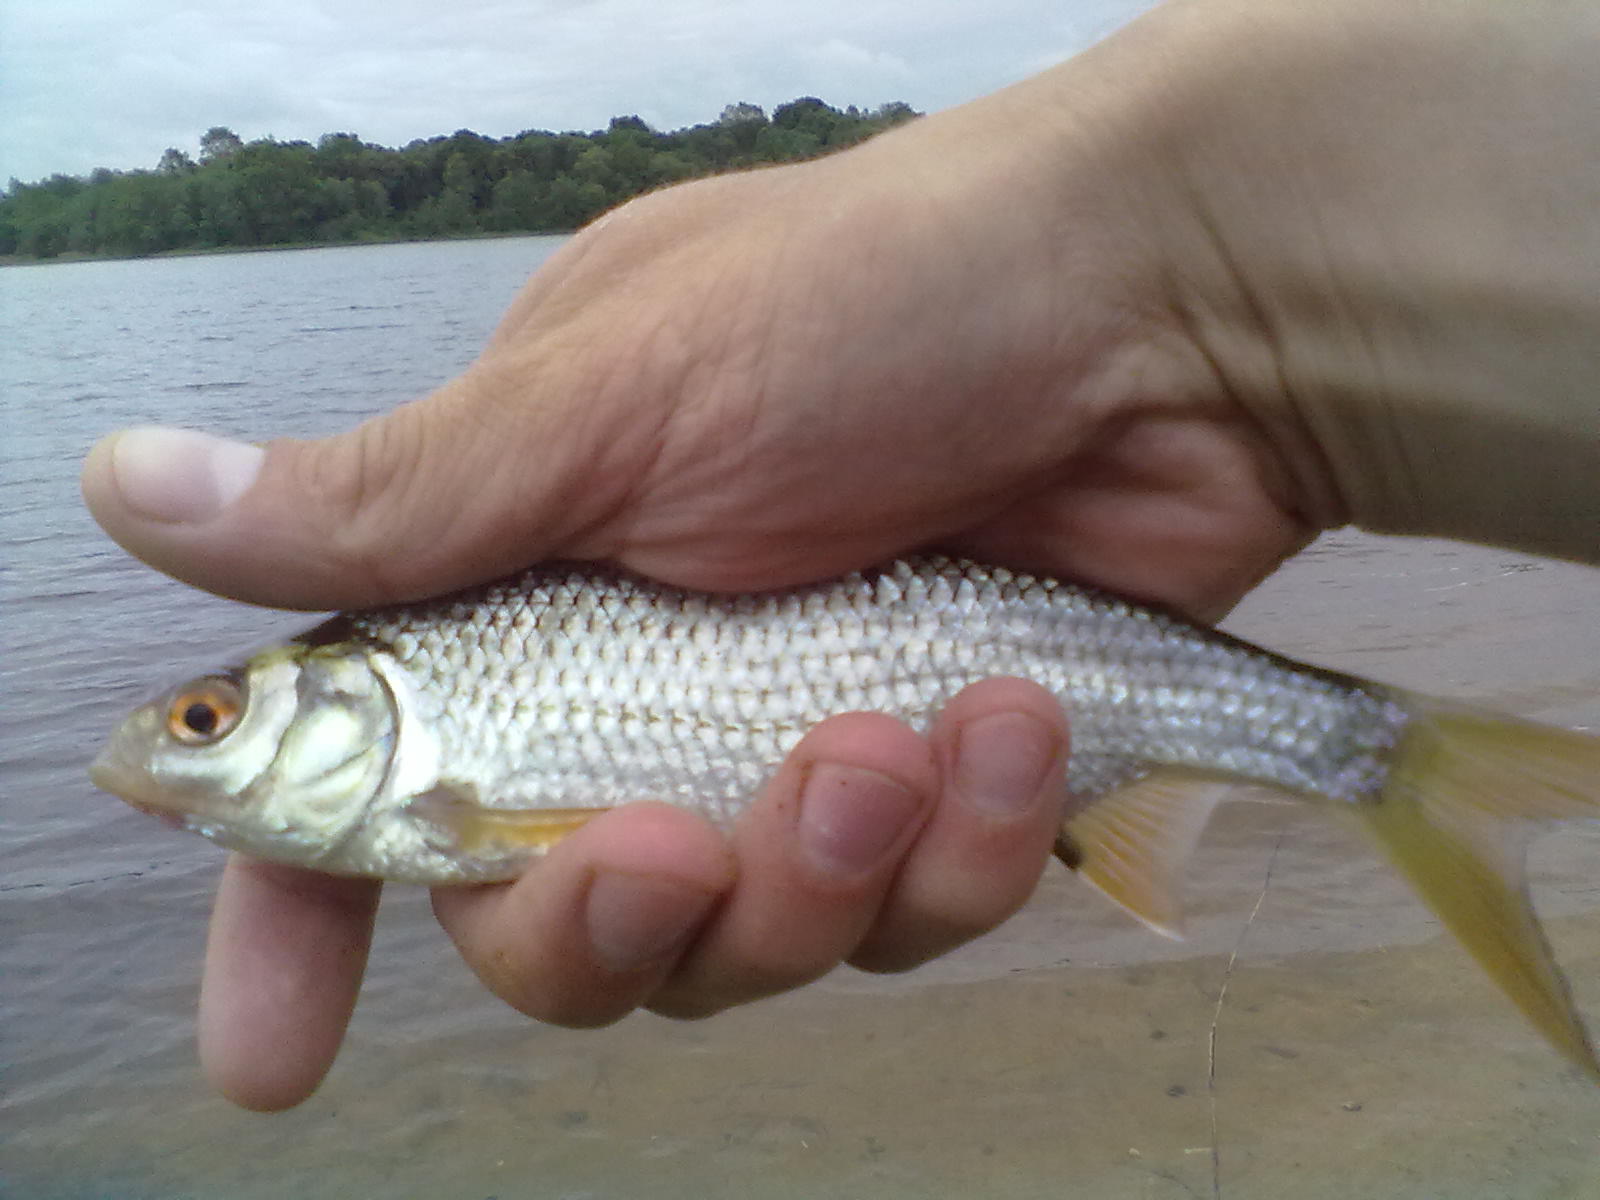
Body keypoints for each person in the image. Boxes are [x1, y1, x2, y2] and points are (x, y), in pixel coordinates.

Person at [81, 0, 1599, 1111]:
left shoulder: (445, 773)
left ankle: (1393, 763)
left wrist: (1184, 278)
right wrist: (1204, 297)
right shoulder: (430, 758)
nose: (179, 740)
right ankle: (1365, 766)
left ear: (351, 695)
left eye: (207, 719)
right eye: (203, 721)